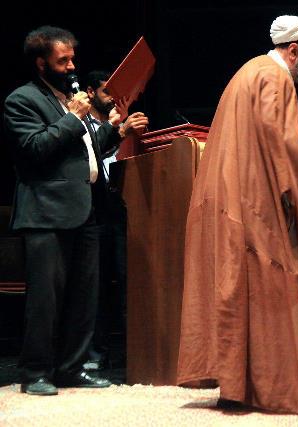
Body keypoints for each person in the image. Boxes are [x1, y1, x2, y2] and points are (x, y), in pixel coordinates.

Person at [176, 13, 298, 415]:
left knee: (241, 290)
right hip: (253, 199)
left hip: (233, 195)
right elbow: (280, 142)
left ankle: (239, 387)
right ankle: (277, 388)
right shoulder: (273, 78)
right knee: (279, 286)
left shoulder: (249, 71)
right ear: (294, 51)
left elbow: (273, 137)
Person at [3, 26, 128, 395]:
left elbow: (84, 153)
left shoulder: (70, 99)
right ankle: (35, 373)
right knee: (46, 299)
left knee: (83, 296)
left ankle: (71, 368)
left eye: (73, 58)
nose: (72, 66)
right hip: (46, 212)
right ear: (41, 64)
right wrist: (73, 120)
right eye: (63, 60)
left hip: (84, 209)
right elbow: (34, 149)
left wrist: (112, 131)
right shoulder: (22, 100)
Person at [82, 70, 148, 371]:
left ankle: (132, 353)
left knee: (127, 281)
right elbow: (90, 155)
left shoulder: (124, 122)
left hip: (121, 208)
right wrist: (118, 130)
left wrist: (138, 135)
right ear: (90, 92)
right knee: (95, 284)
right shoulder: (83, 122)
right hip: (93, 209)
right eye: (106, 92)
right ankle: (95, 355)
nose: (112, 98)